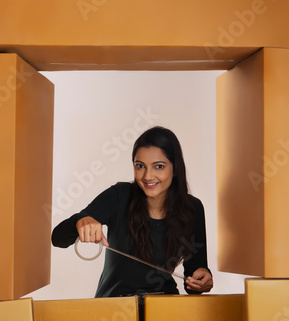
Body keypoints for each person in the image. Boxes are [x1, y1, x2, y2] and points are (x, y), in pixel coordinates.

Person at [52, 126, 213, 297]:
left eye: (159, 166)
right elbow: (58, 239)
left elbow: (194, 278)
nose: (148, 176)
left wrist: (201, 278)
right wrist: (80, 221)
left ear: (175, 169)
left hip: (164, 303)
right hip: (113, 306)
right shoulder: (120, 195)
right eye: (140, 166)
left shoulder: (193, 208)